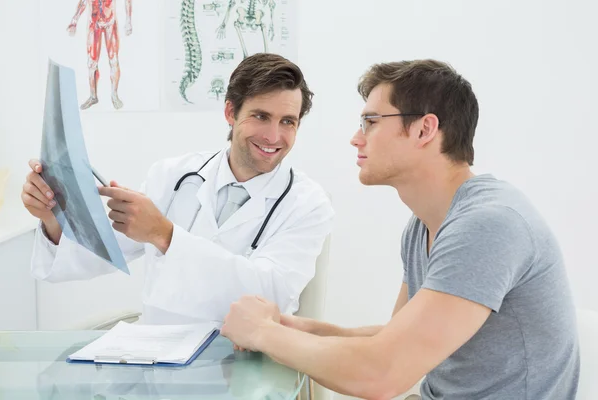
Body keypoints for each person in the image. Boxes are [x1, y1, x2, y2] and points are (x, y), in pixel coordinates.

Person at [220, 60, 580, 399]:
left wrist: (261, 332)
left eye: (371, 122)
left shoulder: (489, 224)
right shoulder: (424, 224)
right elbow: (395, 339)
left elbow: (382, 374)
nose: (356, 138)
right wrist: (294, 327)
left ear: (424, 129)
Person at [22, 53, 333, 325]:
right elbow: (99, 254)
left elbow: (270, 296)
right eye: (261, 116)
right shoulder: (172, 176)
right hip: (157, 361)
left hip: (250, 362)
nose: (273, 135)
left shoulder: (307, 204)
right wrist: (52, 213)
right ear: (230, 112)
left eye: (288, 122)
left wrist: (165, 236)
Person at [67, 0, 133, 110]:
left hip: (110, 23)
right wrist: (74, 20)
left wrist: (128, 20)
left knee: (114, 60)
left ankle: (114, 95)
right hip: (94, 23)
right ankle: (93, 96)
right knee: (92, 63)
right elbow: (83, 2)